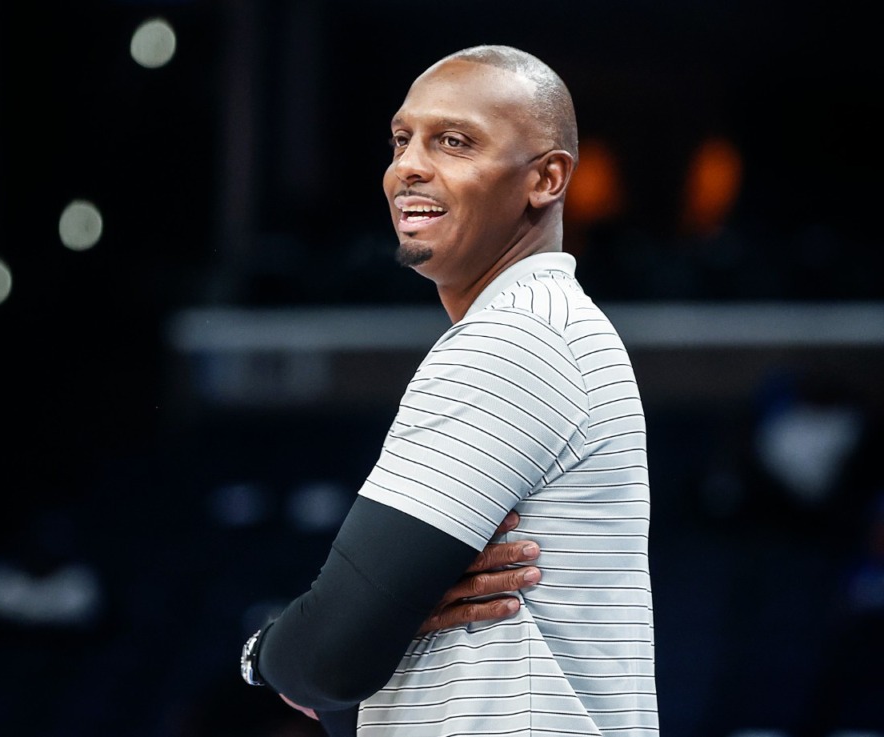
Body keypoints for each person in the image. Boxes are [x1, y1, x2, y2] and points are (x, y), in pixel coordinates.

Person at [239, 44, 659, 736]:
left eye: (454, 142)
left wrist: (267, 652)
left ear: (547, 178)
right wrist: (383, 627)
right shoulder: (549, 325)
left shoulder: (513, 340)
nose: (408, 166)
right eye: (402, 139)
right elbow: (348, 684)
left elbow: (326, 660)